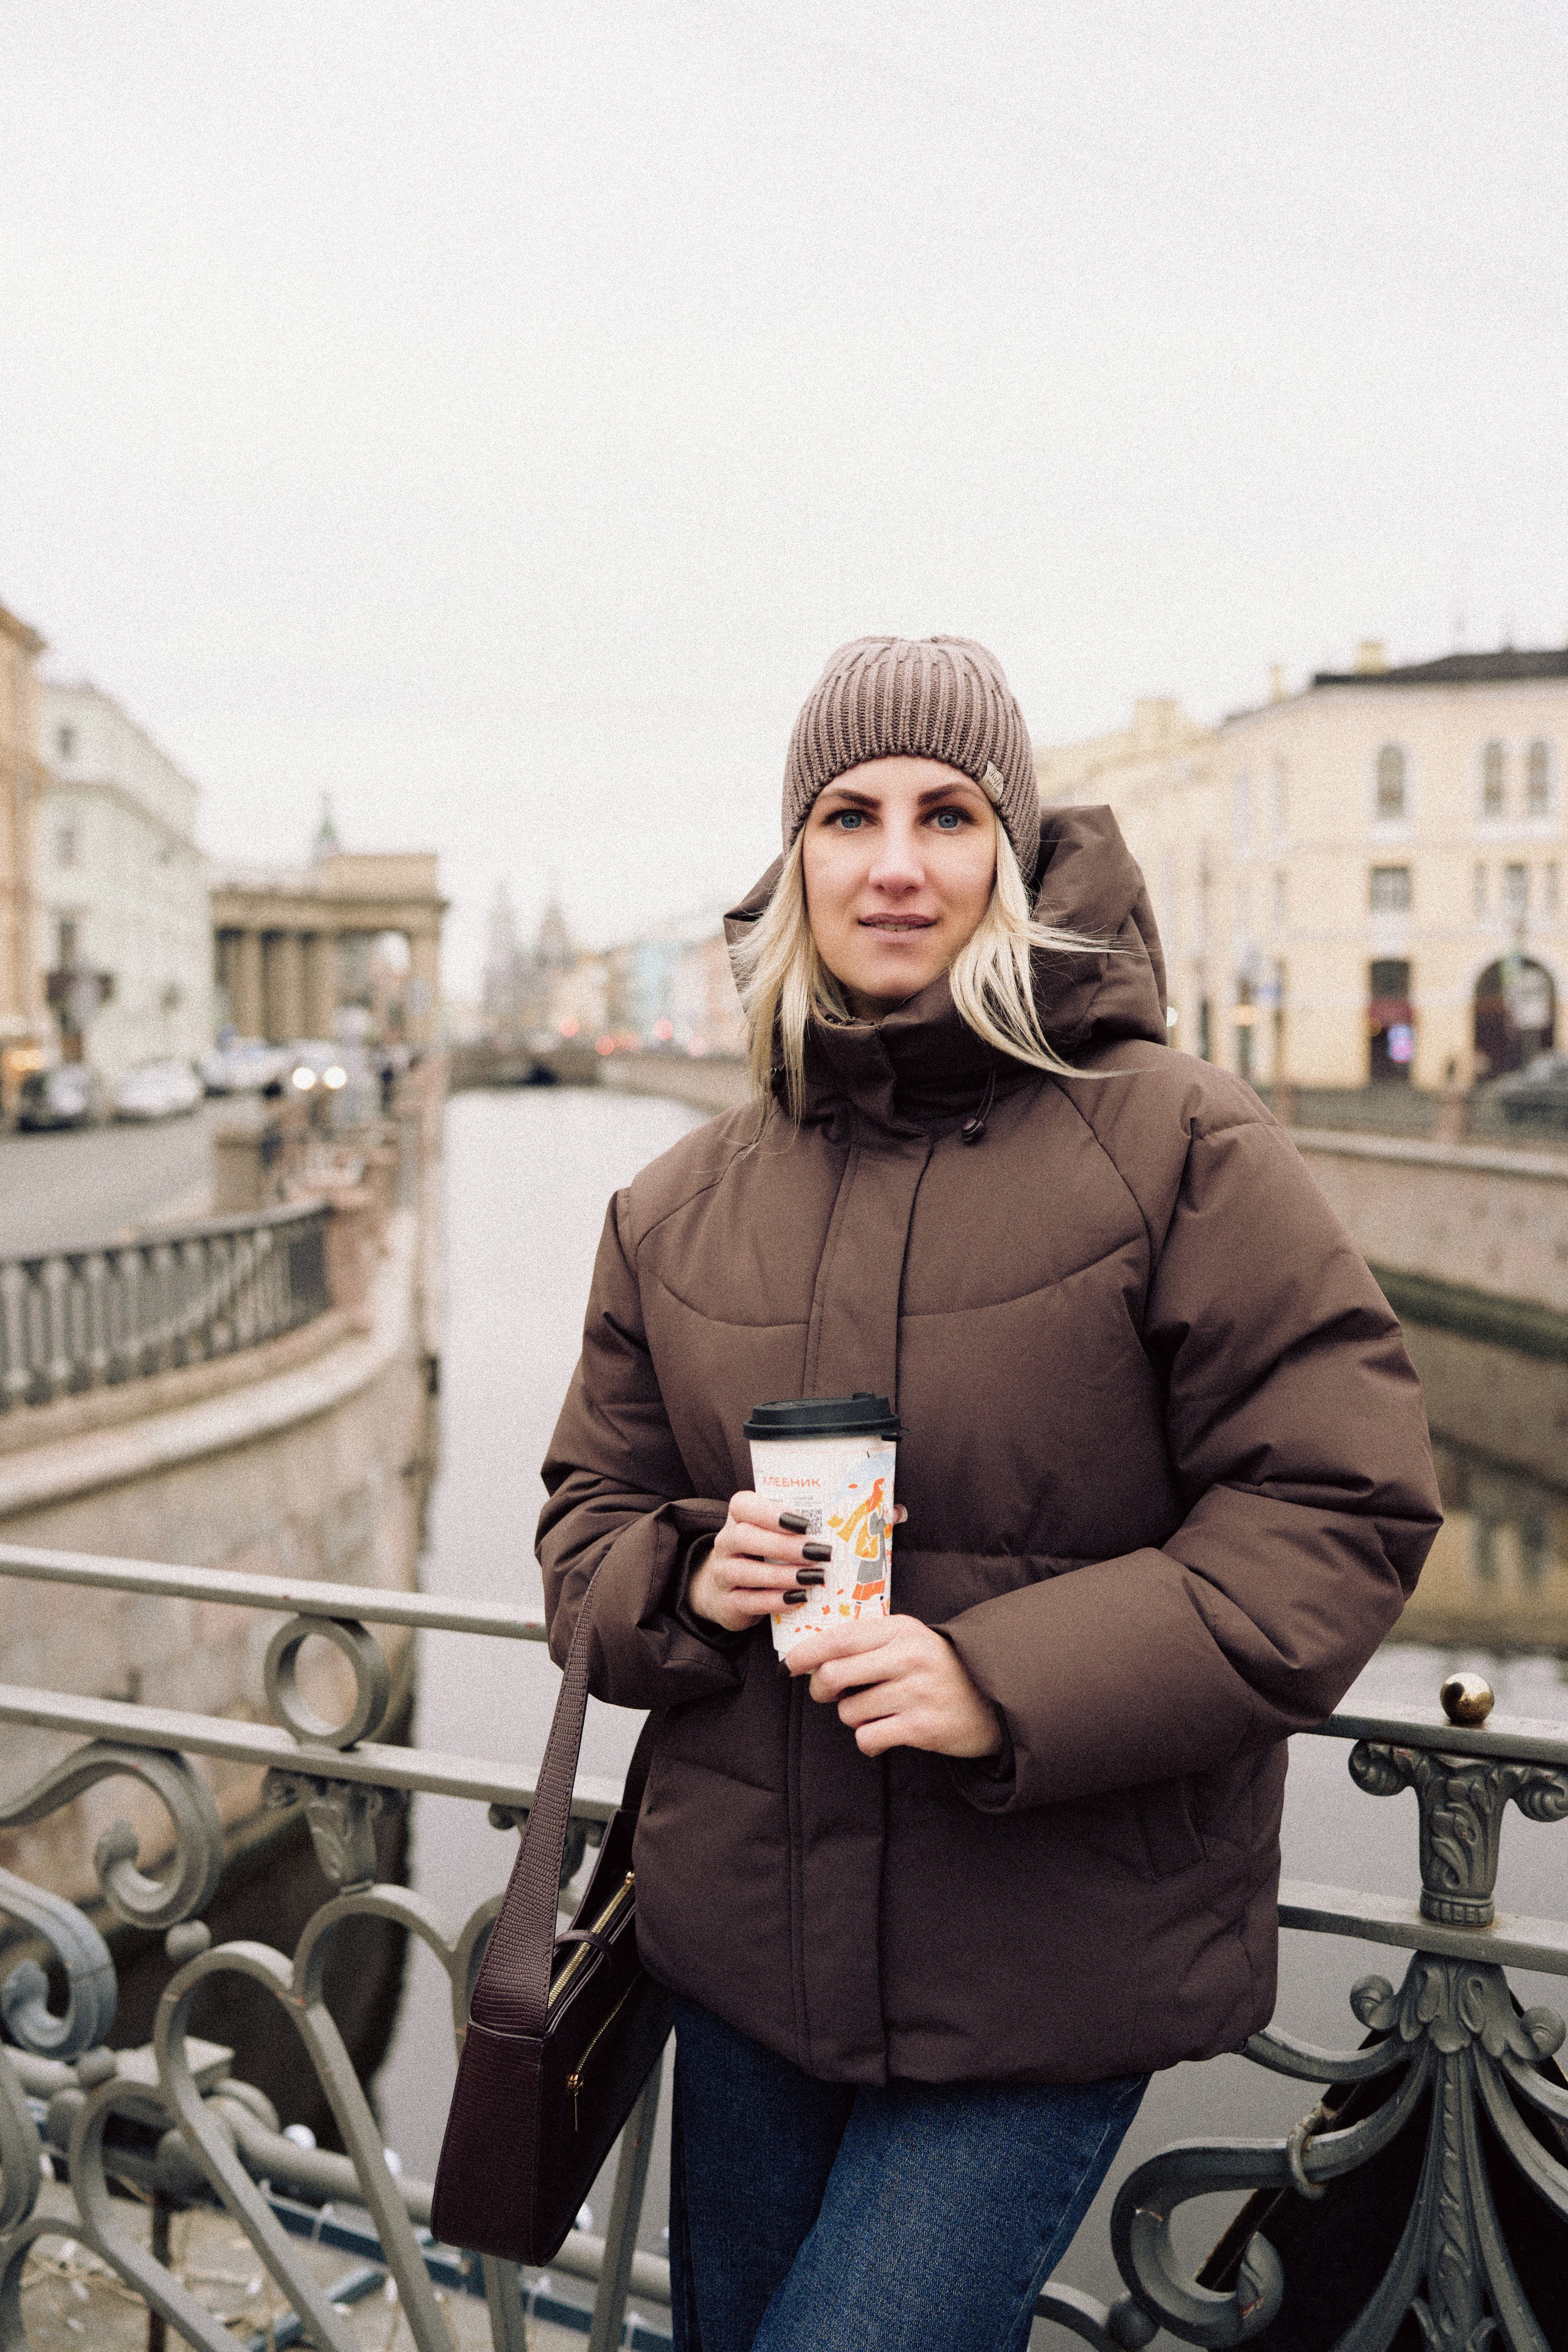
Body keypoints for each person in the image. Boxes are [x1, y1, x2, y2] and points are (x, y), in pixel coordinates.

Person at [538, 636, 1441, 2352]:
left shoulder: (1175, 1140)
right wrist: (678, 1575)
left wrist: (997, 1678)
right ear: (793, 855)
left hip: (1048, 1960)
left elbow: (1340, 1503)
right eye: (849, 813)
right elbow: (585, 1514)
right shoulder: (677, 1203)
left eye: (949, 815)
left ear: (1012, 853)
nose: (896, 861)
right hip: (743, 1964)